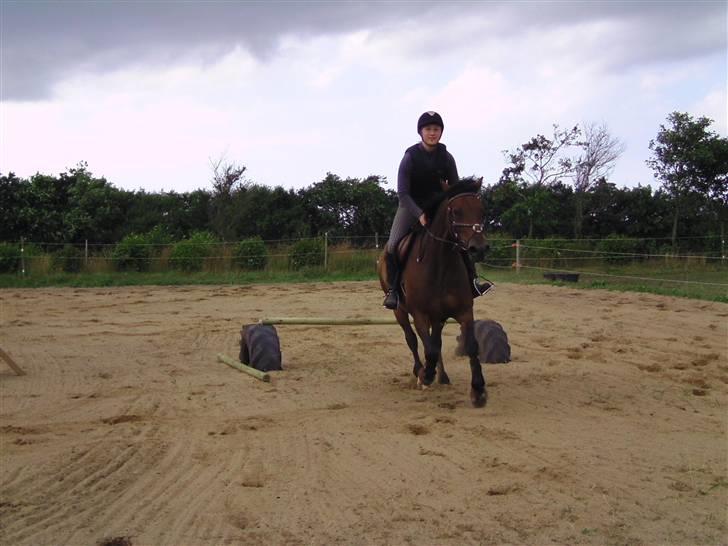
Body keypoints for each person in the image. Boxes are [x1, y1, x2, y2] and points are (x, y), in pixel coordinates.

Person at [382, 111, 492, 310]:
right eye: (428, 129)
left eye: (436, 129)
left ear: (441, 132)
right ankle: (394, 291)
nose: (432, 133)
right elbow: (403, 194)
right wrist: (420, 214)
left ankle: (473, 283)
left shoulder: (447, 157)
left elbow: (456, 189)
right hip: (410, 206)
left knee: (462, 240)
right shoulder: (410, 157)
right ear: (421, 132)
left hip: (439, 206)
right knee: (392, 246)